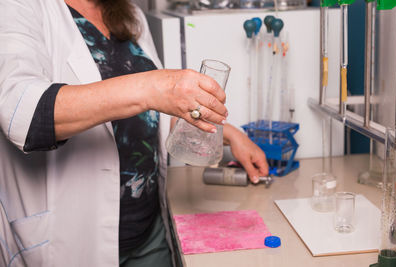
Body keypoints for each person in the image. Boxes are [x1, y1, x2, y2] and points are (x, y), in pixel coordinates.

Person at [0, 0, 269, 266]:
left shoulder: (130, 13)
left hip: (149, 232)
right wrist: (154, 87)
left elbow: (151, 113)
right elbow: (21, 113)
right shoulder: (20, 7)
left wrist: (229, 134)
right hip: (70, 239)